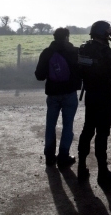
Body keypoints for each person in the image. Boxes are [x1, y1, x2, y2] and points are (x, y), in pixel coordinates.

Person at [77, 21, 111, 185]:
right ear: (105, 35)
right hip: (104, 97)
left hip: (90, 94)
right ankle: (102, 173)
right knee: (102, 134)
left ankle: (81, 167)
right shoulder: (105, 51)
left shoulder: (83, 48)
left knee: (87, 129)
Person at [35, 27, 82, 167]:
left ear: (54, 37)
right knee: (68, 126)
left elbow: (39, 76)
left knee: (50, 125)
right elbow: (83, 71)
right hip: (69, 93)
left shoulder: (47, 52)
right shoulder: (75, 52)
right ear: (67, 37)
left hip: (53, 94)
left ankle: (49, 157)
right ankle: (63, 156)